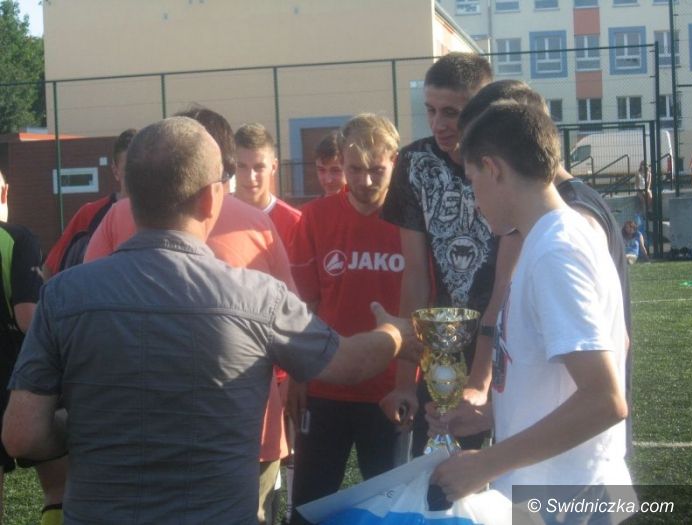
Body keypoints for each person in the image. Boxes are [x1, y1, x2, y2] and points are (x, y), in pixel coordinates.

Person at [2, 117, 418, 524]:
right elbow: (349, 362)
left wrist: (84, 431)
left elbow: (21, 434)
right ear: (211, 199)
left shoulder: (62, 295)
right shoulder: (258, 296)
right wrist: (395, 332)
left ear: (130, 192)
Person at [83, 107, 293, 525]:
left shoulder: (120, 215)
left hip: (143, 424)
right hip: (244, 428)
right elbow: (289, 333)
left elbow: (90, 310)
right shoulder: (258, 224)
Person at [428, 102, 629, 502]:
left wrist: (486, 463)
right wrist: (490, 414)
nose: (475, 200)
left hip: (567, 497)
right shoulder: (552, 238)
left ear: (493, 168)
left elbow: (605, 400)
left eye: (472, 180)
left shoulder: (556, 250)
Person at [381, 52, 519, 455]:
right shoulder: (414, 163)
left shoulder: (509, 164)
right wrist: (405, 380)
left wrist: (481, 377)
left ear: (483, 109)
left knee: (509, 470)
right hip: (442, 347)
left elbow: (506, 281)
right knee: (437, 467)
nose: (438, 124)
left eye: (451, 112)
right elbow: (415, 274)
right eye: (431, 110)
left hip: (510, 341)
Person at [288, 114, 406, 523]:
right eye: (355, 169)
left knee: (391, 509)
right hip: (326, 385)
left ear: (394, 161)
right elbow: (302, 306)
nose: (365, 181)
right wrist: (297, 375)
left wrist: (409, 383)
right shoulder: (316, 218)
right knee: (307, 506)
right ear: (341, 161)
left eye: (377, 170)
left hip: (390, 390)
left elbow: (422, 308)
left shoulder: (412, 221)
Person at [0, 171, 63, 525]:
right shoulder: (16, 238)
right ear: (5, 192)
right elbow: (28, 318)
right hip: (17, 379)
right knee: (59, 485)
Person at [43, 129, 137, 279]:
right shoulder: (90, 214)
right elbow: (49, 268)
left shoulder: (164, 212)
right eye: (129, 170)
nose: (137, 175)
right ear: (115, 171)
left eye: (143, 167)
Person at [234, 123, 301, 251]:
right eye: (241, 166)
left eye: (259, 167)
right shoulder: (212, 215)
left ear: (274, 167)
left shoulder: (295, 223)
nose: (250, 177)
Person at [313, 131, 345, 197]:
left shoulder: (366, 203)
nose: (328, 180)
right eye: (321, 170)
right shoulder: (314, 204)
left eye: (336, 170)